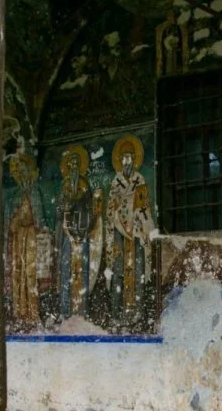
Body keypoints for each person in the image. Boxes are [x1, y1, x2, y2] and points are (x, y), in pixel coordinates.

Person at [107, 135, 154, 319]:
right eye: (124, 157)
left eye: (130, 157)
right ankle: (116, 314)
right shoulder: (115, 182)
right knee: (118, 271)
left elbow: (144, 207)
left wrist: (147, 229)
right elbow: (111, 209)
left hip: (136, 233)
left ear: (134, 160)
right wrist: (117, 208)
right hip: (119, 233)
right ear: (120, 160)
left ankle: (138, 312)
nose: (127, 161)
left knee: (138, 272)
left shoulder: (139, 180)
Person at [57, 145, 98, 318]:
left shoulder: (84, 185)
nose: (73, 167)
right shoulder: (64, 186)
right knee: (67, 271)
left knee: (83, 271)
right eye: (71, 164)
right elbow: (59, 210)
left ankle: (83, 311)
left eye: (76, 164)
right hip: (68, 235)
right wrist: (65, 206)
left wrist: (84, 231)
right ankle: (65, 311)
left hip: (82, 234)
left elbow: (90, 209)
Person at [6, 153, 43, 328]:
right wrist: (14, 223)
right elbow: (10, 220)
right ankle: (20, 313)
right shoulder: (15, 195)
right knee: (18, 273)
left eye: (24, 170)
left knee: (30, 273)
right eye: (18, 171)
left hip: (31, 237)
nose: (21, 174)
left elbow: (39, 217)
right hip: (18, 237)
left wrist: (32, 222)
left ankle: (33, 314)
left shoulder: (34, 192)